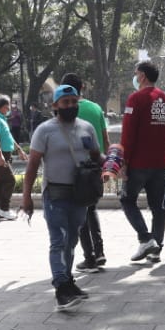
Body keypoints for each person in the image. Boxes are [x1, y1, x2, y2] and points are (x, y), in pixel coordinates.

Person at [20, 84, 104, 310]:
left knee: (72, 240)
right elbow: (32, 166)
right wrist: (26, 197)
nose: (71, 106)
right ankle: (61, 288)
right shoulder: (44, 131)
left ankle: (67, 282)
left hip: (79, 196)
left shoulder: (87, 128)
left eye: (74, 102)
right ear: (55, 106)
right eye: (66, 103)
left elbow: (97, 156)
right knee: (58, 240)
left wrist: (114, 161)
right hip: (55, 195)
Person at [120, 60, 165, 263]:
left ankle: (145, 238)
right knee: (158, 207)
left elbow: (128, 134)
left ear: (141, 75)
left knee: (127, 200)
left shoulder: (135, 99)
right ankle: (156, 248)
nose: (135, 76)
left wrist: (123, 162)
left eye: (136, 73)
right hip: (159, 163)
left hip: (138, 164)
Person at [61, 73, 108, 272]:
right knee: (92, 209)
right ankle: (99, 252)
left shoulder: (68, 109)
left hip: (77, 169)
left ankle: (89, 257)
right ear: (82, 88)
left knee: (80, 212)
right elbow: (105, 139)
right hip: (95, 165)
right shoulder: (96, 108)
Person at [0, 95, 25, 219]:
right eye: (8, 106)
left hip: (3, 154)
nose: (9, 108)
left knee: (1, 181)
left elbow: (8, 137)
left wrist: (19, 150)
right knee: (10, 180)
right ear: (3, 106)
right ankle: (4, 209)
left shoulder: (0, 118)